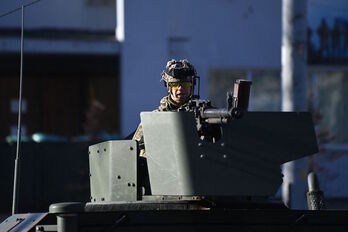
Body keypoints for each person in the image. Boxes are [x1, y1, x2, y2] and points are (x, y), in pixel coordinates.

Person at [132, 59, 198, 155]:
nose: (180, 89)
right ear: (168, 87)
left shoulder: (200, 115)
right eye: (175, 85)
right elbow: (134, 148)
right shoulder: (155, 118)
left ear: (191, 86)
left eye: (185, 85)